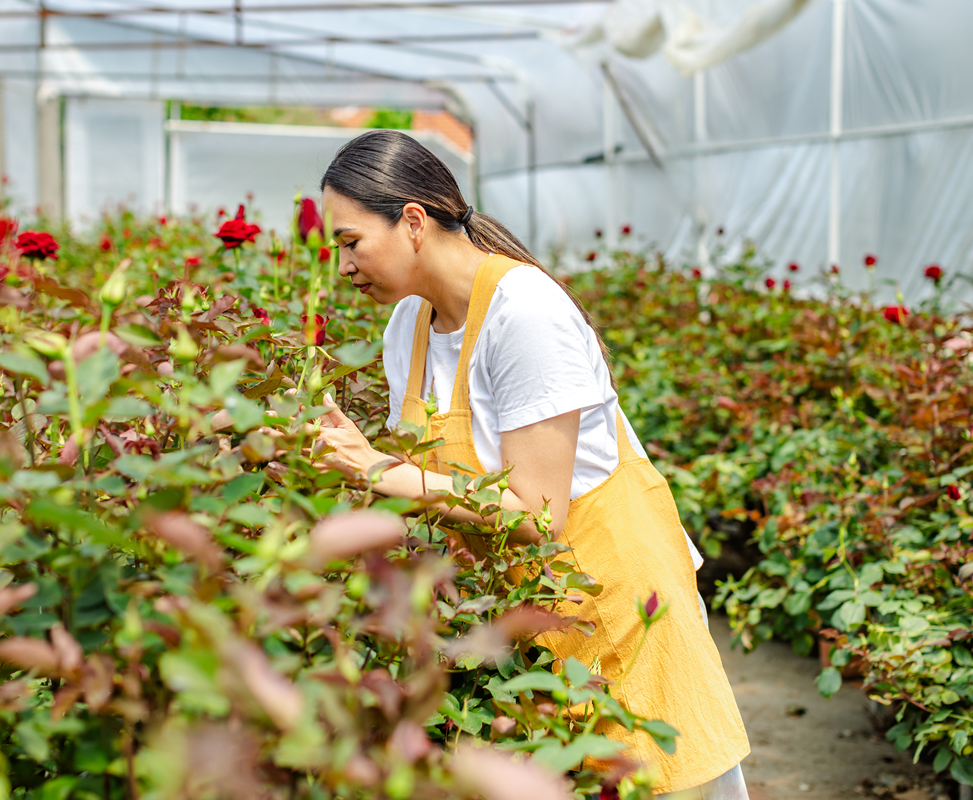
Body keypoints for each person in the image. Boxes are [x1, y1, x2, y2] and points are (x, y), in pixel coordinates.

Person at [310, 129, 750, 799]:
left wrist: (371, 468)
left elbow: (536, 515)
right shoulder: (409, 324)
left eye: (349, 242)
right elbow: (428, 483)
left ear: (414, 221)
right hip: (513, 614)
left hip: (612, 611)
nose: (342, 267)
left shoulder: (525, 313)